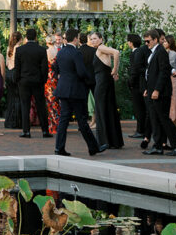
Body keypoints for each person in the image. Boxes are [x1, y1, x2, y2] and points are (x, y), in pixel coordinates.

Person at [53, 27, 103, 156]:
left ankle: (59, 148)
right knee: (82, 119)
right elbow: (81, 72)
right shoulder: (76, 53)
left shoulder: (60, 52)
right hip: (75, 90)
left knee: (63, 120)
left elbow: (56, 68)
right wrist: (88, 78)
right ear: (75, 39)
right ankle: (93, 147)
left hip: (63, 89)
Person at [143, 29, 176, 156]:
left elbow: (163, 72)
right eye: (144, 41)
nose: (146, 43)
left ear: (155, 40)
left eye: (148, 41)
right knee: (156, 119)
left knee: (164, 119)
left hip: (161, 92)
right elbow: (151, 73)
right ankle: (158, 146)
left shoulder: (161, 52)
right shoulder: (154, 52)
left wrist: (157, 90)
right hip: (153, 90)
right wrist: (148, 89)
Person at [89, 32, 123, 149]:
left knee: (101, 109)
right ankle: (112, 141)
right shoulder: (102, 49)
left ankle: (104, 141)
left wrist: (115, 69)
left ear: (101, 39)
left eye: (95, 38)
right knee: (108, 109)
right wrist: (115, 71)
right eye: (91, 39)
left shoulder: (101, 48)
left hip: (102, 83)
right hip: (105, 81)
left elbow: (117, 52)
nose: (93, 41)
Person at [16, 28, 51, 139]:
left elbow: (18, 68)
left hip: (24, 80)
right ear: (36, 37)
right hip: (37, 81)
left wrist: (18, 80)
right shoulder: (41, 50)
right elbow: (44, 68)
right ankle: (45, 130)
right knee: (41, 106)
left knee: (25, 105)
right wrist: (43, 80)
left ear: (26, 37)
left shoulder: (20, 50)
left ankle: (26, 131)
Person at [126, 33, 148, 139]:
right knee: (141, 108)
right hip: (140, 83)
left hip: (137, 84)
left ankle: (140, 130)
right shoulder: (141, 51)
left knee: (139, 108)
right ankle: (142, 129)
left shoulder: (136, 53)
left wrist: (130, 82)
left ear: (131, 42)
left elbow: (135, 69)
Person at [164, 34, 176, 136]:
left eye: (165, 42)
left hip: (172, 80)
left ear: (169, 43)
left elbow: (171, 66)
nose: (163, 43)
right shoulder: (163, 52)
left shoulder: (172, 53)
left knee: (173, 105)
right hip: (167, 79)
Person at [3, 31, 22, 129]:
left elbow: (6, 63)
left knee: (11, 98)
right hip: (15, 73)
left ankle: (9, 121)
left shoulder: (8, 48)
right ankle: (17, 122)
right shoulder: (18, 48)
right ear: (20, 39)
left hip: (9, 73)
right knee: (18, 97)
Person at [44, 34, 61, 134]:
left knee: (50, 103)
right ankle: (57, 124)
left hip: (49, 79)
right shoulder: (58, 51)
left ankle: (52, 126)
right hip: (56, 78)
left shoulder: (46, 52)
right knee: (57, 103)